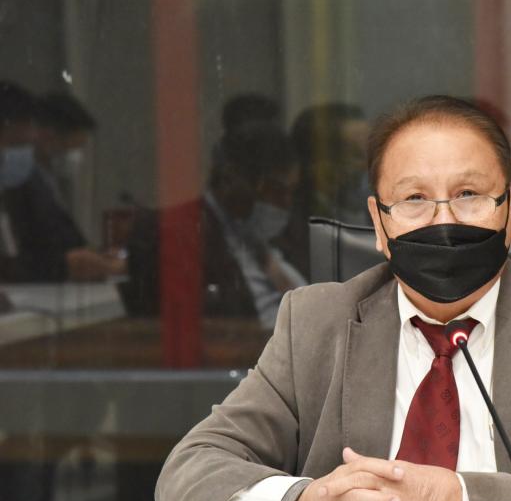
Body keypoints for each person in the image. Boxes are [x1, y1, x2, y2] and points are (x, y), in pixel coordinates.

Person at [155, 96, 511, 501]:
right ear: (379, 224)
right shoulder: (315, 324)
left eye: (469, 195)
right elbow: (192, 466)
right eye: (414, 200)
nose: (444, 221)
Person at [125, 122, 305, 328]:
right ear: (230, 177)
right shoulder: (173, 234)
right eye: (274, 189)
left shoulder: (261, 237)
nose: (285, 203)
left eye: (291, 191)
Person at [0, 82, 122, 282]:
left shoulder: (42, 180)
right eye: (15, 145)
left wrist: (91, 256)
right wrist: (65, 265)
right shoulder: (19, 183)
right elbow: (20, 256)